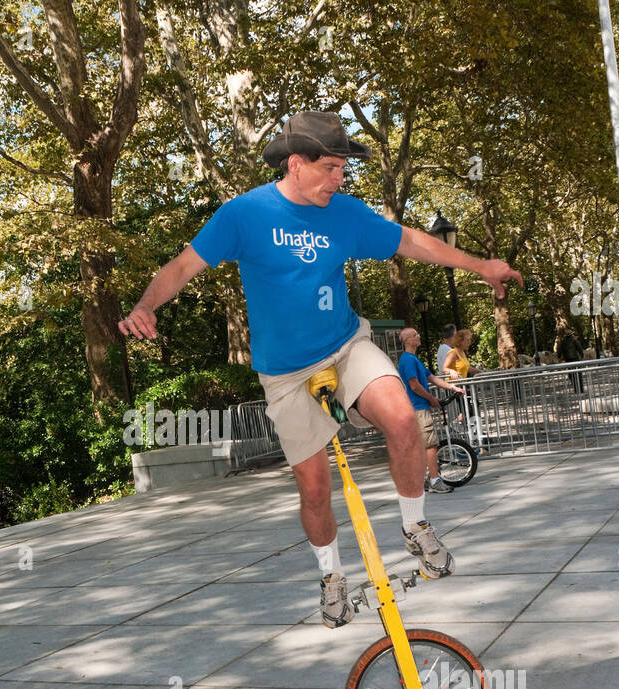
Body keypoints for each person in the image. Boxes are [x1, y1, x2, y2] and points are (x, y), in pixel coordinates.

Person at [121, 111, 521, 627]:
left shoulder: (346, 214)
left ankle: (415, 525)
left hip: (345, 344)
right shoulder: (244, 215)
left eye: (342, 169)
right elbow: (180, 267)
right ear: (295, 164)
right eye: (332, 167)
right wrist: (146, 305)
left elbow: (412, 241)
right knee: (314, 488)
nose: (340, 178)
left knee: (402, 419)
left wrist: (481, 266)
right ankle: (331, 576)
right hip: (286, 372)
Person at [398, 328, 466, 494]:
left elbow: (432, 378)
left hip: (420, 407)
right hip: (418, 408)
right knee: (430, 445)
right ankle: (435, 481)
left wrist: (452, 387)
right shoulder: (407, 360)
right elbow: (414, 385)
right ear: (407, 340)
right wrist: (431, 398)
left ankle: (425, 479)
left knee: (424, 445)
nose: (419, 336)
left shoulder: (415, 359)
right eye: (415, 335)